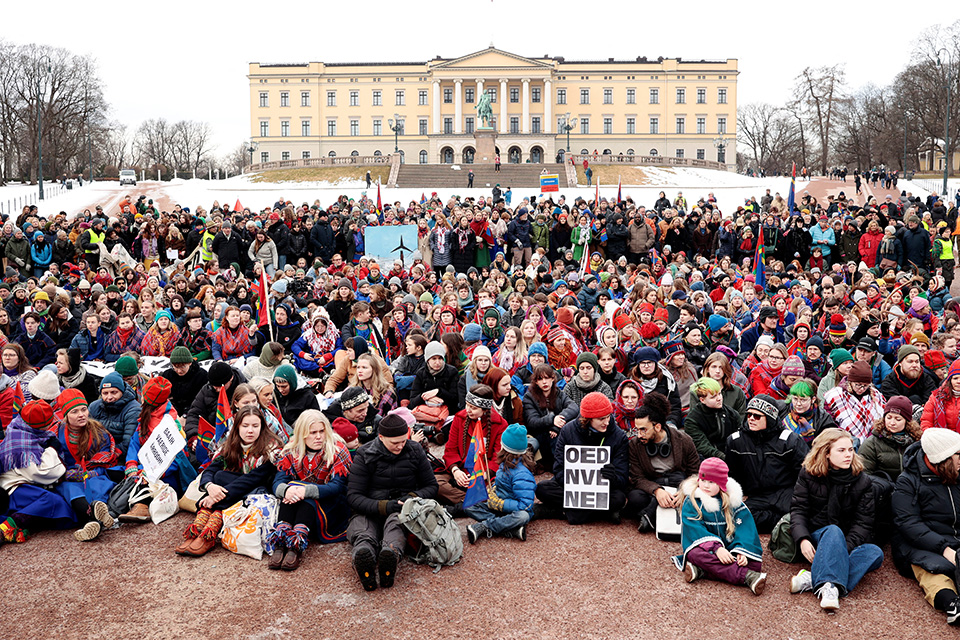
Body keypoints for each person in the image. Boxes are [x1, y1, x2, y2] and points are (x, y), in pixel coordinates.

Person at [789, 428, 882, 612]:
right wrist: (803, 539)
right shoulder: (808, 473)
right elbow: (798, 510)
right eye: (841, 450)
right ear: (826, 453)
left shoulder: (862, 480)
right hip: (816, 537)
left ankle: (815, 579)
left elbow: (863, 523)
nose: (848, 455)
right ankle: (831, 590)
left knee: (875, 553)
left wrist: (840, 551)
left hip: (845, 540)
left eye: (851, 450)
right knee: (832, 530)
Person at [346, 411, 439, 591]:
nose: (400, 446)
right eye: (395, 443)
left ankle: (390, 555)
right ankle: (363, 558)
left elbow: (431, 486)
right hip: (371, 507)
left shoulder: (414, 450)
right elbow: (354, 496)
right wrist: (384, 506)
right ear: (381, 437)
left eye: (403, 441)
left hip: (402, 507)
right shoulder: (364, 454)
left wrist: (411, 498)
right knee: (363, 531)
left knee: (397, 525)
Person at [176, 405, 282, 557]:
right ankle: (200, 529)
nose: (250, 430)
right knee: (219, 476)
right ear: (237, 427)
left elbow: (252, 480)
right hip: (233, 491)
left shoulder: (271, 449)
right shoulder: (231, 445)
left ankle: (209, 532)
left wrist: (214, 498)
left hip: (258, 491)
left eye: (255, 426)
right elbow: (210, 470)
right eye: (245, 426)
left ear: (262, 427)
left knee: (222, 478)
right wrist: (210, 487)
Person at [268, 410, 352, 571]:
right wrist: (287, 491)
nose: (318, 437)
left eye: (322, 431)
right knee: (289, 494)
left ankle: (296, 544)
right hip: (298, 501)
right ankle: (281, 541)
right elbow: (278, 481)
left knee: (305, 497)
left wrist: (305, 491)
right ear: (302, 434)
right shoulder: (291, 450)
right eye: (313, 433)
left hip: (330, 505)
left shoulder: (337, 450)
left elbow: (337, 486)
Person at [892, 428, 960, 626]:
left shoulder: (956, 472)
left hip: (954, 538)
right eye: (958, 454)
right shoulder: (907, 481)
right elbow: (908, 523)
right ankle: (952, 604)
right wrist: (944, 548)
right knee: (934, 569)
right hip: (920, 543)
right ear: (944, 457)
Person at [673, 457, 766, 595]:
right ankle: (747, 577)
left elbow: (745, 528)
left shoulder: (733, 501)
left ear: (721, 483)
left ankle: (702, 571)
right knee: (695, 554)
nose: (705, 485)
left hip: (731, 548)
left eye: (711, 482)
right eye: (703, 480)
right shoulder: (691, 501)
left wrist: (741, 551)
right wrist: (717, 549)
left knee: (754, 564)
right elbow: (695, 530)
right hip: (707, 549)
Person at [534, 391, 629, 525]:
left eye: (608, 416)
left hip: (602, 489)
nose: (607, 422)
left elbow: (622, 476)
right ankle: (600, 513)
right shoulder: (567, 431)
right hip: (572, 487)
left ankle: (559, 512)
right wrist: (577, 486)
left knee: (619, 498)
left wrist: (612, 477)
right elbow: (559, 469)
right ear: (588, 419)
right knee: (542, 489)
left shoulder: (619, 437)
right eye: (601, 419)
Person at [726, 394, 809, 532]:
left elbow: (805, 473)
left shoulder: (790, 440)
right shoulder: (736, 441)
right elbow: (732, 474)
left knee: (801, 514)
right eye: (749, 414)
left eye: (757, 416)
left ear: (770, 418)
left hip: (786, 492)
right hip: (757, 495)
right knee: (739, 517)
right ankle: (781, 522)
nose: (751, 419)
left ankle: (784, 521)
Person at [0, 400, 76, 543]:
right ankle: (8, 528)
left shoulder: (19, 428)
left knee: (60, 504)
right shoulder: (21, 442)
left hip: (23, 484)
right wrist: (52, 449)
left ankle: (18, 524)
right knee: (54, 502)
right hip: (14, 489)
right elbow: (44, 473)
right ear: (43, 425)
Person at [52, 390, 120, 542]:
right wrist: (65, 473)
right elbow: (52, 462)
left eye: (84, 409)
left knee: (97, 486)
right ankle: (96, 521)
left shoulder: (98, 432)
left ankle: (92, 523)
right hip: (68, 479)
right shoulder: (56, 434)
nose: (81, 415)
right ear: (66, 415)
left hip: (94, 474)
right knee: (71, 489)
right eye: (74, 412)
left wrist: (93, 472)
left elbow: (106, 457)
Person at [627, 392, 700, 532]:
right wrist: (657, 491)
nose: (639, 435)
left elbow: (695, 473)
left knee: (698, 496)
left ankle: (650, 514)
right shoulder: (635, 445)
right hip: (653, 484)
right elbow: (637, 478)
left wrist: (684, 491)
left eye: (643, 430)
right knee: (635, 498)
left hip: (678, 484)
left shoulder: (684, 440)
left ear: (658, 427)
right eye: (637, 429)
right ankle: (657, 508)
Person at [438, 384, 508, 509]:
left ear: (485, 410)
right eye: (467, 405)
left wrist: (483, 475)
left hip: (485, 475)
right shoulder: (459, 418)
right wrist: (455, 471)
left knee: (500, 486)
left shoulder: (500, 424)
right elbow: (450, 450)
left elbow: (498, 457)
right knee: (436, 483)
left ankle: (467, 504)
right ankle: (475, 503)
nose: (468, 410)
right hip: (461, 471)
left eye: (474, 408)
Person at [465, 423, 536, 543]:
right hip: (499, 506)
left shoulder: (522, 474)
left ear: (505, 448)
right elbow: (502, 484)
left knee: (523, 516)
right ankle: (508, 529)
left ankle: (485, 526)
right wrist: (492, 490)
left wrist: (501, 504)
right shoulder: (505, 463)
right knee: (469, 505)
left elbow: (526, 505)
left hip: (512, 510)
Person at [522, 363, 579, 470]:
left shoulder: (558, 393)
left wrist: (556, 426)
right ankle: (559, 468)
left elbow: (574, 408)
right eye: (540, 379)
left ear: (553, 379)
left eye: (547, 378)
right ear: (536, 381)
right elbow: (532, 421)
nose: (544, 382)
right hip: (539, 434)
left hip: (557, 432)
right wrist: (552, 420)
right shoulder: (529, 397)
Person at [823, 361, 885, 444]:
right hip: (843, 441)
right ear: (850, 381)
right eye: (858, 385)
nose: (862, 389)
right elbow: (830, 422)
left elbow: (882, 421)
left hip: (872, 442)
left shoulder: (876, 396)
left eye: (865, 385)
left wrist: (870, 439)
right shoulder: (835, 396)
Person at [683, 377, 742, 461]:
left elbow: (740, 436)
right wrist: (725, 458)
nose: (719, 398)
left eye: (719, 394)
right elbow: (702, 446)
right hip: (707, 460)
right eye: (713, 397)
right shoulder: (692, 420)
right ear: (702, 400)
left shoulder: (731, 413)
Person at [88, 372, 141, 461]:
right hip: (96, 452)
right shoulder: (94, 407)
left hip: (121, 457)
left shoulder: (134, 409)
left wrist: (104, 454)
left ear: (122, 391)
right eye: (105, 393)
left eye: (114, 392)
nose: (109, 397)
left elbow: (128, 444)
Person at [161, 346, 209, 417]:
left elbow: (202, 401)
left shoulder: (201, 376)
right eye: (176, 367)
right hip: (171, 411)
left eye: (182, 367)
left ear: (190, 363)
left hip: (194, 412)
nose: (179, 371)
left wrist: (185, 415)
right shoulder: (167, 375)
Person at [273, 364, 319, 430]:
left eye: (284, 386)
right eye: (278, 386)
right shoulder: (274, 395)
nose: (280, 390)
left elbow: (316, 418)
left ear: (292, 384)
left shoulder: (307, 396)